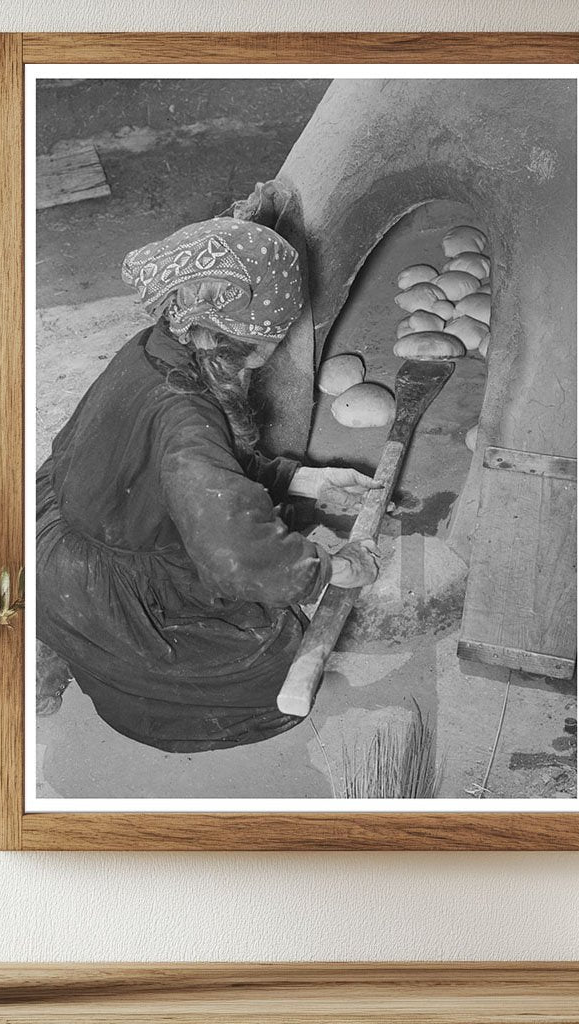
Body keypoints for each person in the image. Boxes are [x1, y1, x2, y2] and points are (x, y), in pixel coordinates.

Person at [36, 218, 381, 753]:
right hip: (101, 593)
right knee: (269, 668)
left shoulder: (154, 349)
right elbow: (235, 558)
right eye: (276, 334)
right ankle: (90, 651)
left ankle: (63, 642)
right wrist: (328, 566)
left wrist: (304, 480)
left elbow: (191, 469)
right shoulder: (186, 416)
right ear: (257, 343)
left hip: (51, 543)